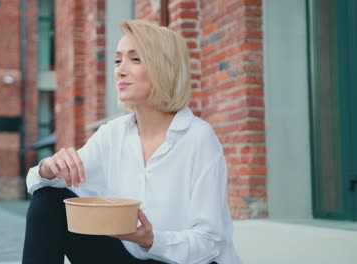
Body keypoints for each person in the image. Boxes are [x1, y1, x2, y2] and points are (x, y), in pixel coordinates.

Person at [22, 20, 242, 264]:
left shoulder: (199, 138)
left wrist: (151, 240)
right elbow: (36, 182)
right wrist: (49, 169)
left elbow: (211, 242)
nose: (120, 70)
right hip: (128, 258)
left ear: (164, 68)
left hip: (188, 261)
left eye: (135, 59)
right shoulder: (113, 134)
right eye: (118, 61)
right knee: (47, 202)